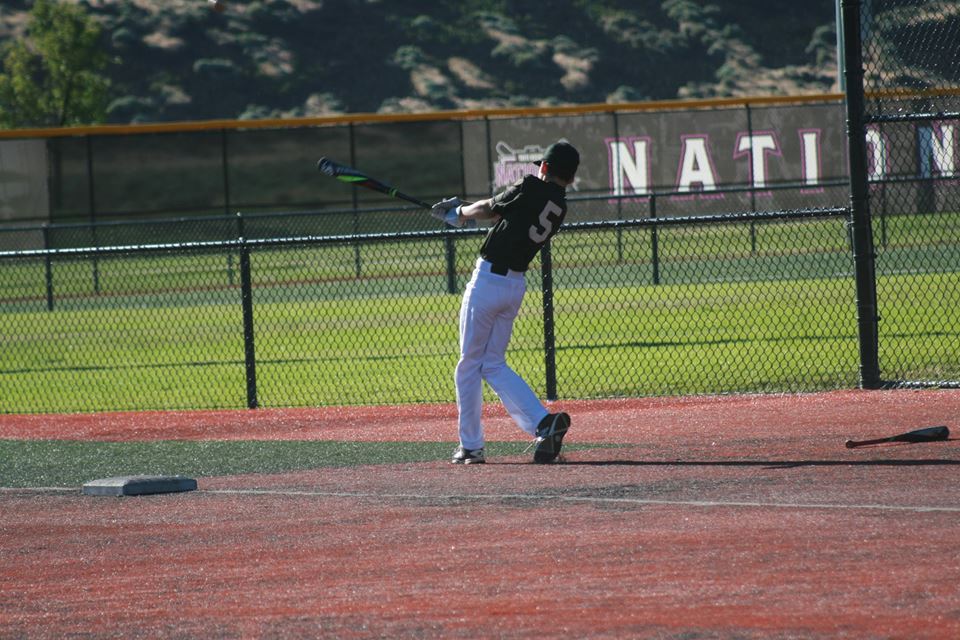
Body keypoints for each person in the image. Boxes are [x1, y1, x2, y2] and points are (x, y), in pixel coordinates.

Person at [431, 140, 580, 464]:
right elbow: (508, 210)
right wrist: (465, 210)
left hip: (487, 282)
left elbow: (490, 209)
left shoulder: (530, 186)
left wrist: (459, 213)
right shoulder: (558, 206)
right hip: (514, 285)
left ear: (544, 167)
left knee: (469, 365)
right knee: (492, 363)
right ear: (569, 178)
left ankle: (471, 445)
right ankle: (543, 423)